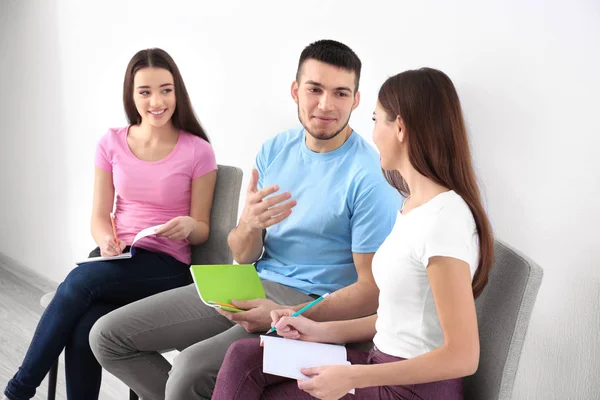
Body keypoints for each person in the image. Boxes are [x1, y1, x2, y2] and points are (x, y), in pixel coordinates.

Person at [89, 39, 401, 400]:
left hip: (311, 301)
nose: (325, 105)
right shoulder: (274, 150)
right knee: (108, 337)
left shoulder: (369, 176)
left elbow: (371, 292)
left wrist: (291, 313)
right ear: (296, 91)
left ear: (356, 100)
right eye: (315, 89)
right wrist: (250, 225)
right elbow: (242, 252)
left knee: (188, 373)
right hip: (248, 281)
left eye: (340, 93)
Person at [212, 67, 495, 400]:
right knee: (244, 357)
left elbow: (462, 356)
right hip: (378, 366)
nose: (373, 134)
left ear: (400, 127)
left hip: (411, 391)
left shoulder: (444, 220)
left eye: (377, 120)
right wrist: (314, 328)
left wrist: (354, 376)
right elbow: (394, 318)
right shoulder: (413, 206)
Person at [2, 48, 217, 400]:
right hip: (116, 258)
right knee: (86, 325)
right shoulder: (112, 142)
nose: (157, 101)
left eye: (165, 89)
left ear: (177, 92)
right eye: (145, 92)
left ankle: (19, 390)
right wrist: (106, 239)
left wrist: (188, 226)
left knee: (78, 284)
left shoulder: (197, 151)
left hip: (166, 264)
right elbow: (100, 214)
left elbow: (203, 227)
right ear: (132, 97)